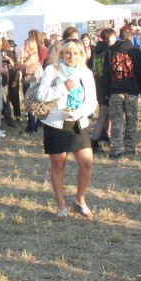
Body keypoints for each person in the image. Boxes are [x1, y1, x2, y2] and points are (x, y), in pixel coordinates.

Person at [34, 39, 96, 218]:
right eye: (68, 53)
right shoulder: (52, 70)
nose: (71, 56)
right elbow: (42, 95)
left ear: (82, 55)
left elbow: (92, 100)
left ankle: (80, 199)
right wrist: (62, 87)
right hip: (56, 123)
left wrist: (79, 112)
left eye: (76, 53)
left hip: (78, 122)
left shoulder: (85, 73)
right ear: (62, 53)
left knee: (86, 163)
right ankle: (61, 205)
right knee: (58, 165)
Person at [107, 27, 141, 159]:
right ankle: (130, 147)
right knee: (131, 119)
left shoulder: (111, 50)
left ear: (118, 36)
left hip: (115, 89)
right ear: (131, 36)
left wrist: (108, 89)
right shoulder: (136, 51)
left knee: (116, 120)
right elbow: (140, 72)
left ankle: (116, 148)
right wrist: (139, 89)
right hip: (132, 89)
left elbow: (107, 71)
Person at [89, 27, 116, 152]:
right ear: (109, 37)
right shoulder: (108, 50)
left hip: (97, 83)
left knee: (105, 112)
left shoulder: (95, 50)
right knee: (104, 112)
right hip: (106, 84)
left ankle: (107, 135)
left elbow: (90, 65)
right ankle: (94, 140)